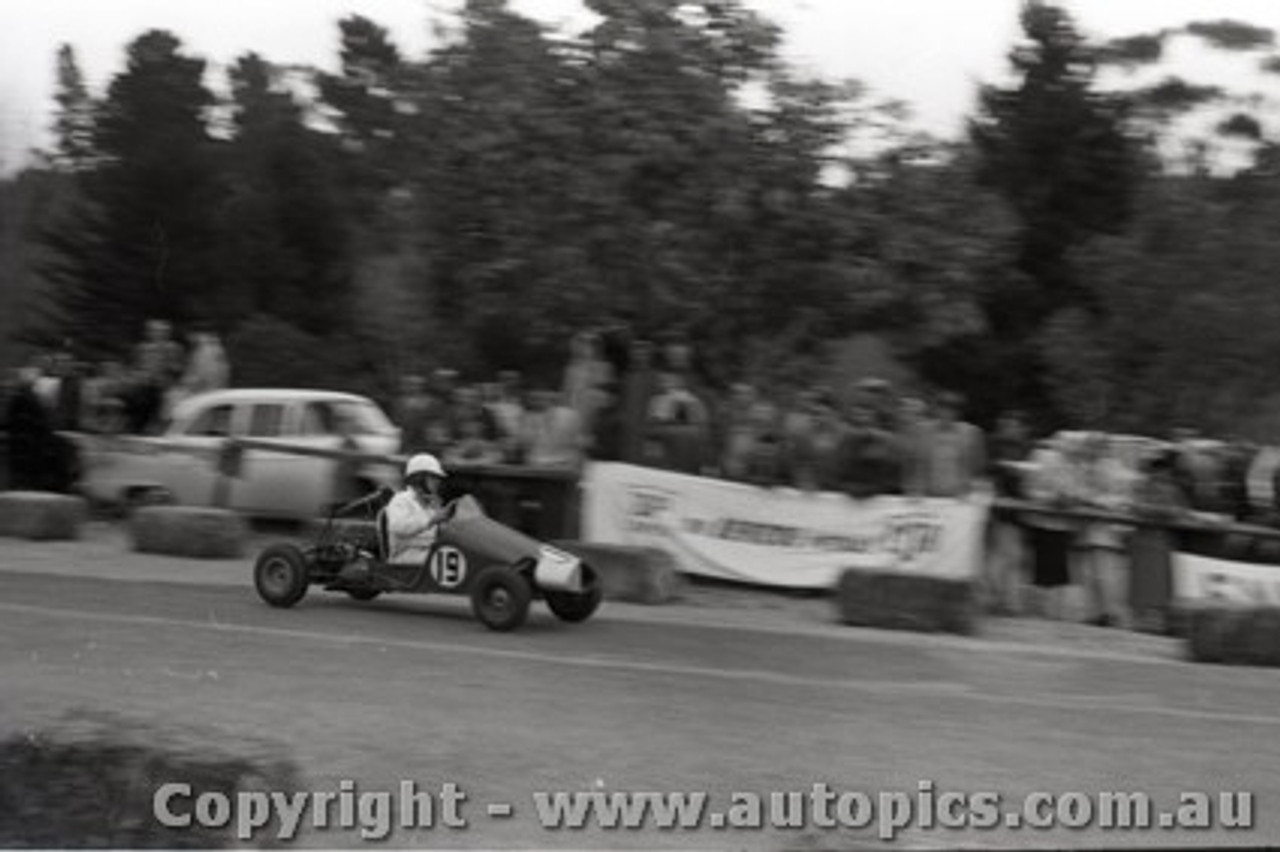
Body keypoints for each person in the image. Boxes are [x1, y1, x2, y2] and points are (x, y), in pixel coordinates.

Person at [385, 453, 451, 566]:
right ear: (419, 478)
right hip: (404, 555)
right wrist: (432, 520)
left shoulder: (431, 503)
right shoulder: (401, 499)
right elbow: (397, 526)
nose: (438, 482)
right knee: (444, 560)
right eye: (433, 477)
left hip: (426, 551)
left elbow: (438, 533)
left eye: (438, 478)